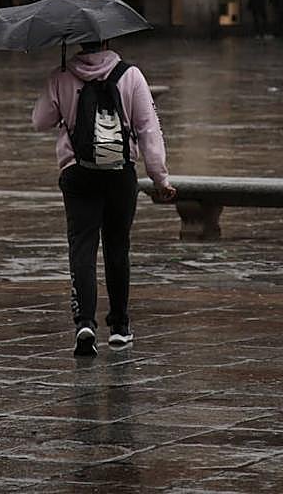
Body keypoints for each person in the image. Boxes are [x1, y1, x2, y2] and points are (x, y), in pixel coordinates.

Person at [32, 41, 175, 357]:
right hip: (119, 173)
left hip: (77, 172)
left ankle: (85, 322)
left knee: (82, 246)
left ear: (80, 42)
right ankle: (120, 327)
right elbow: (149, 129)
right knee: (117, 246)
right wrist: (160, 178)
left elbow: (39, 121)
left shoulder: (62, 75)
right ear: (109, 40)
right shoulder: (131, 75)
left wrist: (57, 84)